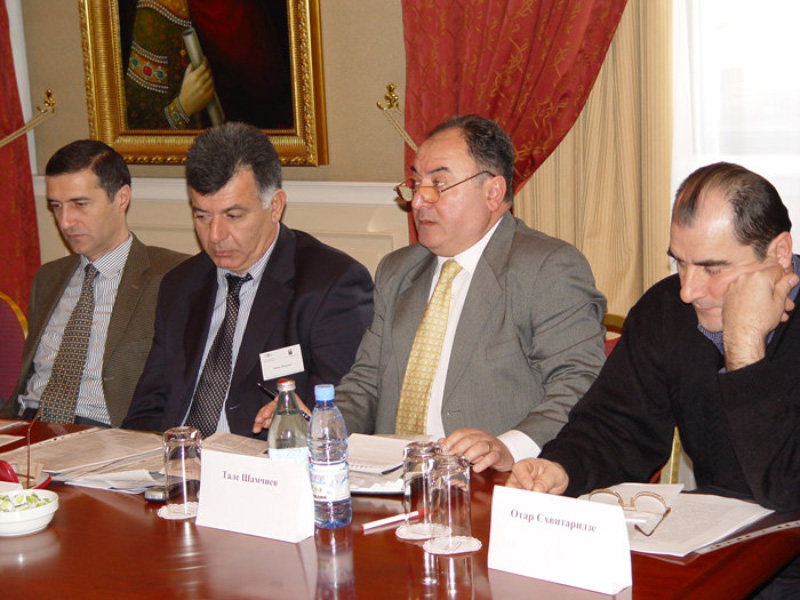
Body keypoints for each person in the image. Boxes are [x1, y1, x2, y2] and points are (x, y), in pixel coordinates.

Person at [508, 162, 800, 598]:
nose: (688, 290)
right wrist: (562, 466)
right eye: (680, 262)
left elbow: (788, 492)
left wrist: (744, 351)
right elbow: (618, 425)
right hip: (716, 553)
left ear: (779, 253)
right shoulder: (666, 310)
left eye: (713, 268)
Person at [253, 114, 606, 471]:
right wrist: (321, 423)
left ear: (493, 192)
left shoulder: (546, 268)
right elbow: (366, 384)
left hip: (492, 481)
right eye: (416, 183)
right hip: (394, 478)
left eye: (438, 183)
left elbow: (580, 382)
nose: (419, 200)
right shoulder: (398, 270)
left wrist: (508, 447)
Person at [123, 122, 373, 438]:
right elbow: (147, 410)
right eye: (202, 216)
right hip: (179, 458)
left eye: (233, 216)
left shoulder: (332, 284)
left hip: (264, 460)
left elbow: (336, 415)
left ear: (275, 206)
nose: (215, 235)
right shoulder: (180, 285)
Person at [8, 140, 187, 426]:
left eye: (80, 204)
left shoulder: (171, 276)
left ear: (121, 198)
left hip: (105, 430)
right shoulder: (48, 277)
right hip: (27, 425)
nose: (65, 221)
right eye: (56, 206)